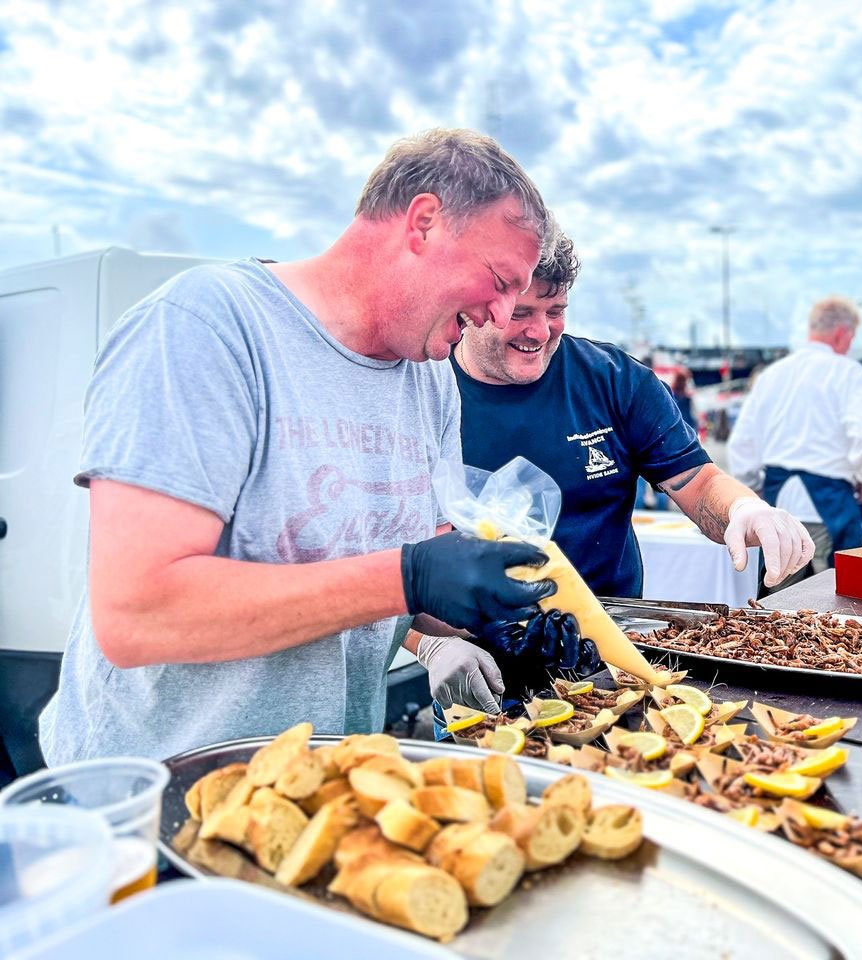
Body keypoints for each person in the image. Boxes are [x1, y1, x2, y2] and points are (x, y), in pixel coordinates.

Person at [37, 129, 574, 765]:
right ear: (424, 222)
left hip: (319, 789)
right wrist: (408, 577)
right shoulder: (207, 327)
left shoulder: (431, 381)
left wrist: (485, 619)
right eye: (501, 280)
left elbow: (406, 581)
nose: (501, 313)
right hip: (157, 792)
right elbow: (138, 615)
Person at [429, 233, 814, 708]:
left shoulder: (614, 378)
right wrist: (429, 645)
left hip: (609, 665)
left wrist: (745, 509)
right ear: (475, 306)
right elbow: (369, 547)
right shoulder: (424, 390)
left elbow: (697, 480)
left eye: (555, 312)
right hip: (476, 669)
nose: (541, 332)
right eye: (521, 313)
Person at [728, 297, 862, 587]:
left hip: (778, 509)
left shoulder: (772, 375)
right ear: (842, 333)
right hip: (831, 506)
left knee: (777, 602)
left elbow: (742, 443)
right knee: (842, 600)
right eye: (851, 338)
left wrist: (753, 486)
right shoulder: (848, 372)